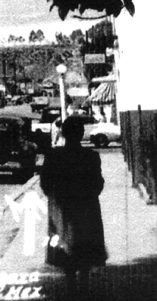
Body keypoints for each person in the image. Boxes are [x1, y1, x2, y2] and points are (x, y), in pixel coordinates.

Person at [40, 114, 107, 299]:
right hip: (86, 209)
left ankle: (71, 289)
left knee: (67, 248)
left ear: (63, 133)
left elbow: (45, 183)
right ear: (81, 133)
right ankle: (84, 289)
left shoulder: (53, 156)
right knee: (85, 248)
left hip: (62, 210)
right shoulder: (91, 156)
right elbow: (98, 184)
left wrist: (56, 199)